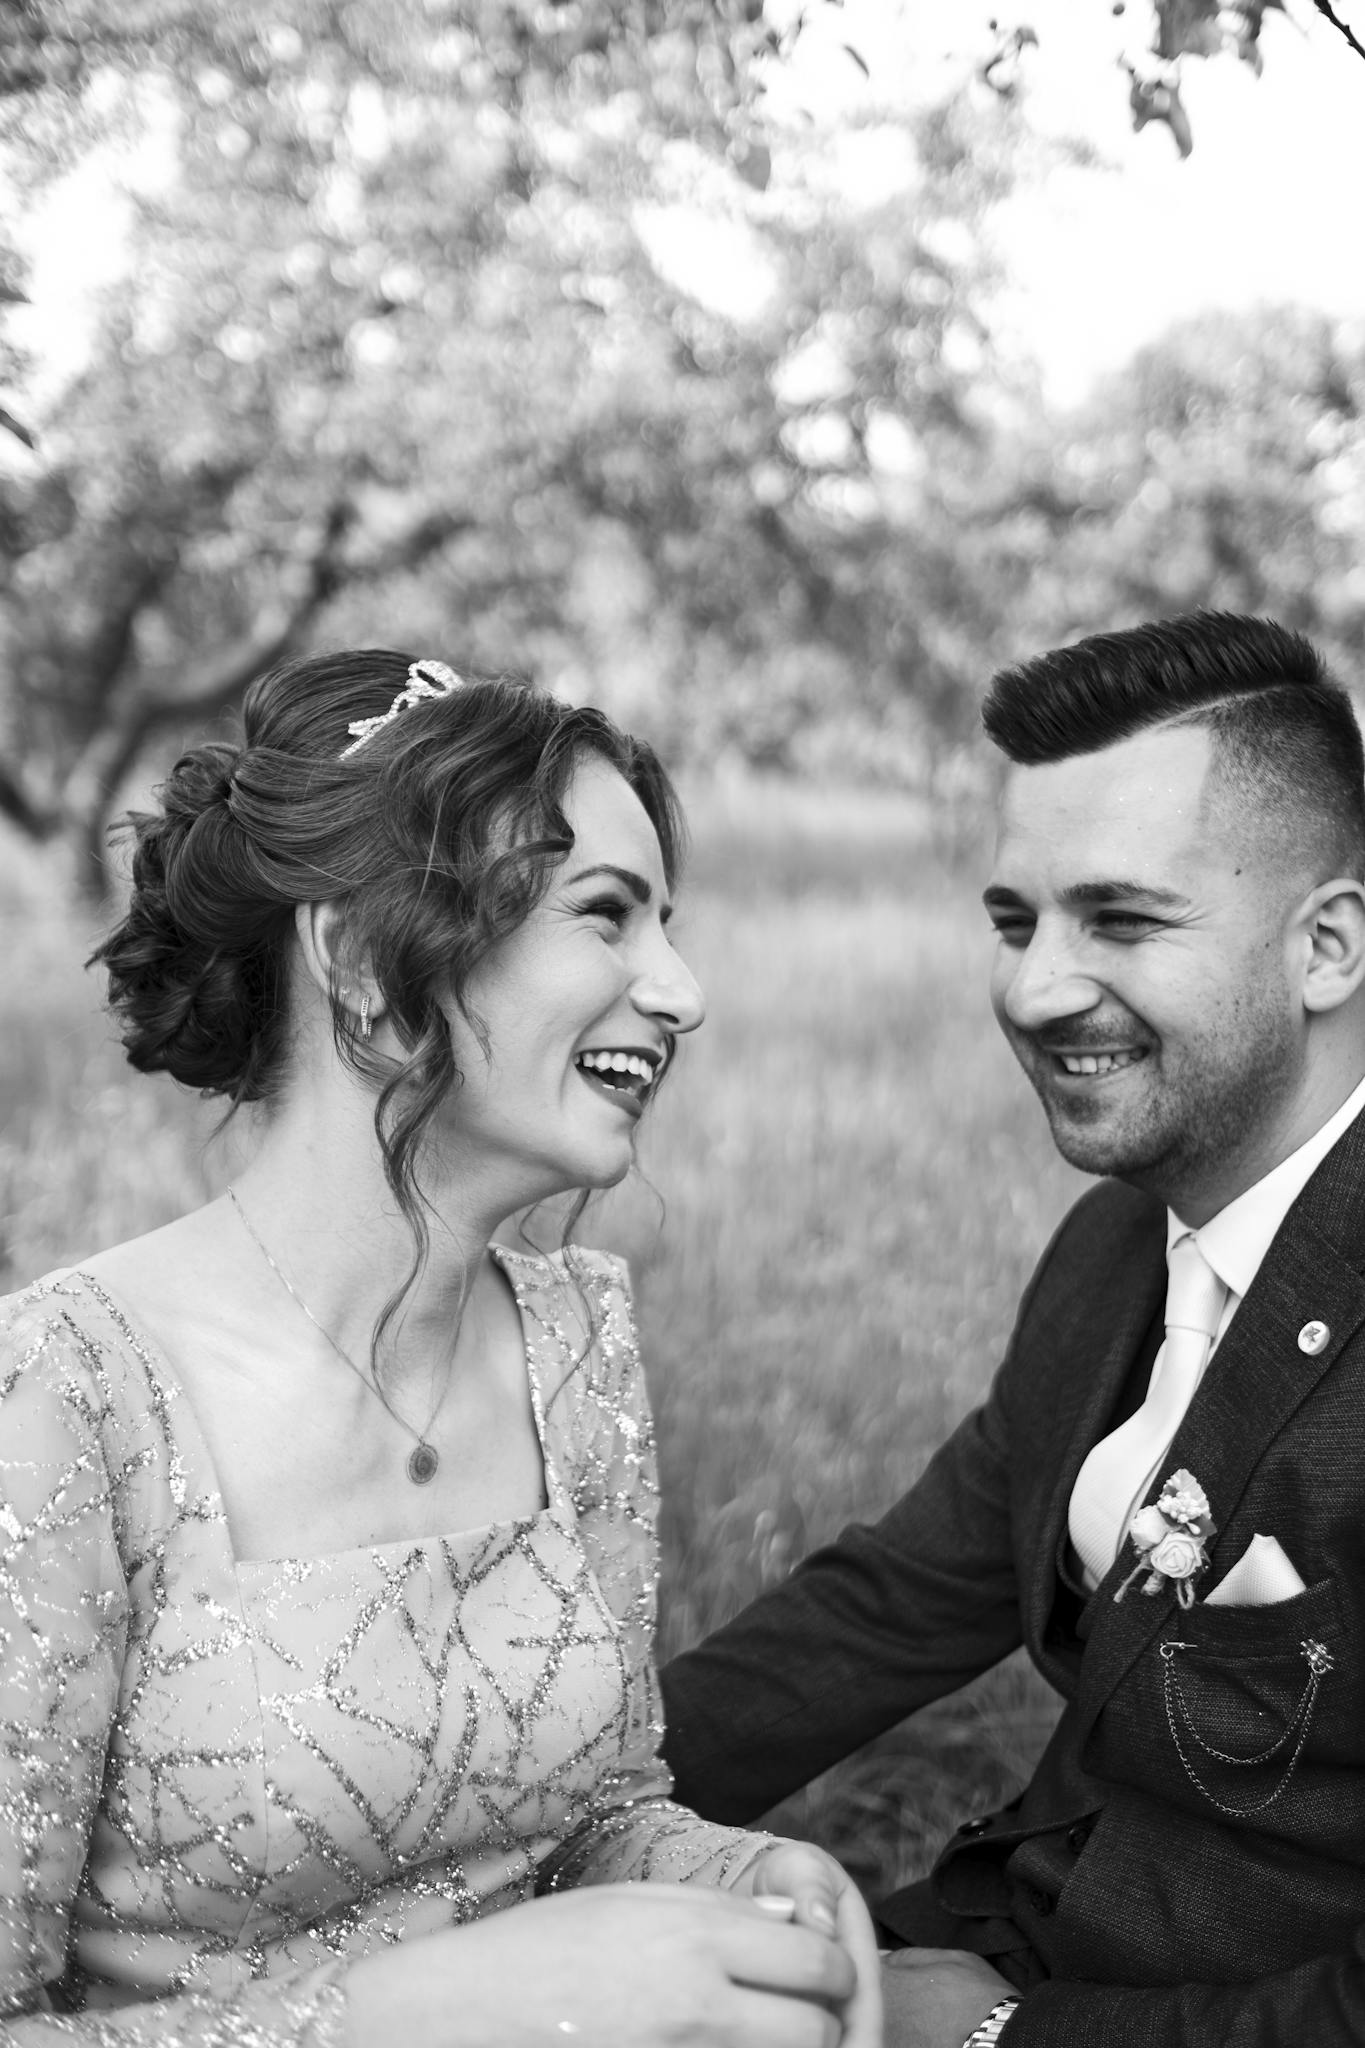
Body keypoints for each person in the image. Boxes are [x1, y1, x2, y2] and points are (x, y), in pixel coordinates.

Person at [0, 651, 881, 2047]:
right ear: (358, 961)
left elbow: (588, 1823)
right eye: (606, 914)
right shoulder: (64, 1396)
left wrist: (743, 1873)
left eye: (668, 921)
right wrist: (400, 2015)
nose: (682, 991)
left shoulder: (573, 1341)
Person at [660, 610, 1365, 2046]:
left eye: (1121, 917)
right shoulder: (1115, 1242)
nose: (1035, 987)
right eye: (1012, 919)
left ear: (1329, 945)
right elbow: (892, 1602)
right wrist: (519, 1818)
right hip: (996, 1931)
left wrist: (996, 2046)